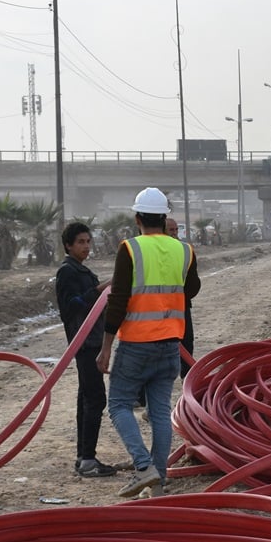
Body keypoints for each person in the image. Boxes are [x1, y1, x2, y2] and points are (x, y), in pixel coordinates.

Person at [98, 187, 201, 499]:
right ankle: (159, 482)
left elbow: (117, 300)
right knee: (159, 411)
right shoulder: (185, 250)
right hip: (171, 342)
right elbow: (191, 289)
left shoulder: (131, 249)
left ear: (138, 218)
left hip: (137, 344)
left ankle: (143, 467)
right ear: (164, 218)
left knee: (117, 404)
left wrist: (105, 346)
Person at [56, 221, 119, 478]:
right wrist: (100, 289)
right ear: (68, 245)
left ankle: (84, 457)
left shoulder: (81, 270)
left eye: (88, 241)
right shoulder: (68, 273)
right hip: (84, 344)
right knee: (95, 399)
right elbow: (70, 306)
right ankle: (88, 460)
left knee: (87, 397)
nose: (85, 246)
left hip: (92, 341)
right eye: (80, 242)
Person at [164, 217, 195, 379]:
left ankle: (188, 381)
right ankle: (141, 394)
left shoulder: (185, 250)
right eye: (171, 230)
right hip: (157, 308)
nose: (175, 233)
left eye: (176, 230)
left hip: (181, 306)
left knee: (186, 343)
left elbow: (193, 282)